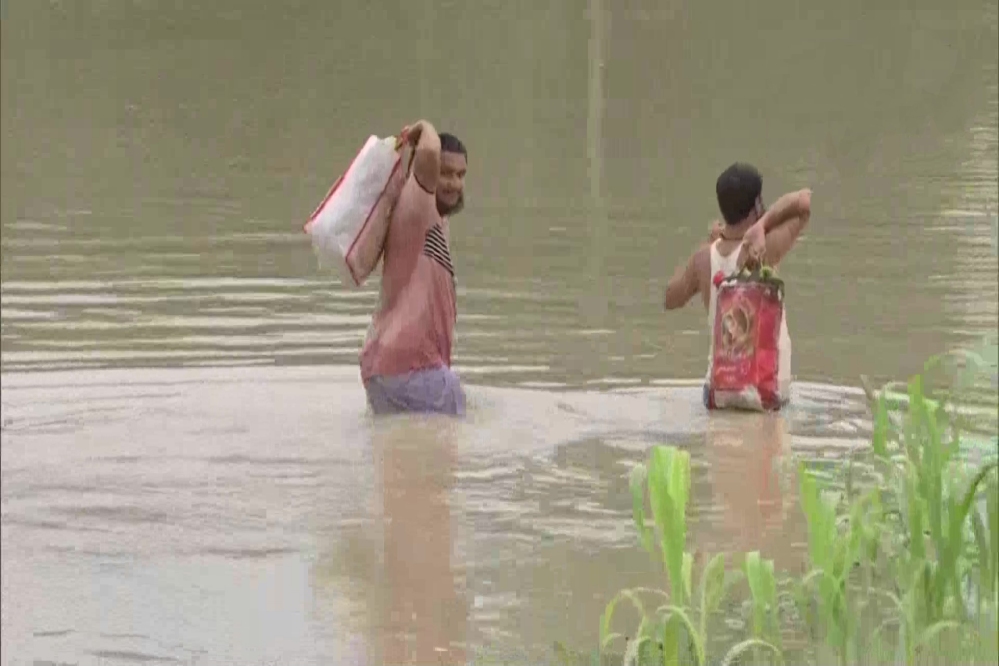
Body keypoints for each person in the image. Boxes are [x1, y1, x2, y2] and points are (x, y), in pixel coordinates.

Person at [662, 162, 812, 408]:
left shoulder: (703, 260)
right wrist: (763, 227)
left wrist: (708, 243)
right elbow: (803, 203)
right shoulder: (765, 249)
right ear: (757, 206)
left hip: (718, 393)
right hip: (764, 392)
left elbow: (670, 299)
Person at [359, 120, 469, 416]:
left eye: (460, 175)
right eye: (445, 173)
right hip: (414, 369)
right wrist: (422, 128)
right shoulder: (418, 202)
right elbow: (430, 150)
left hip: (387, 370)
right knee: (448, 455)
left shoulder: (432, 217)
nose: (454, 183)